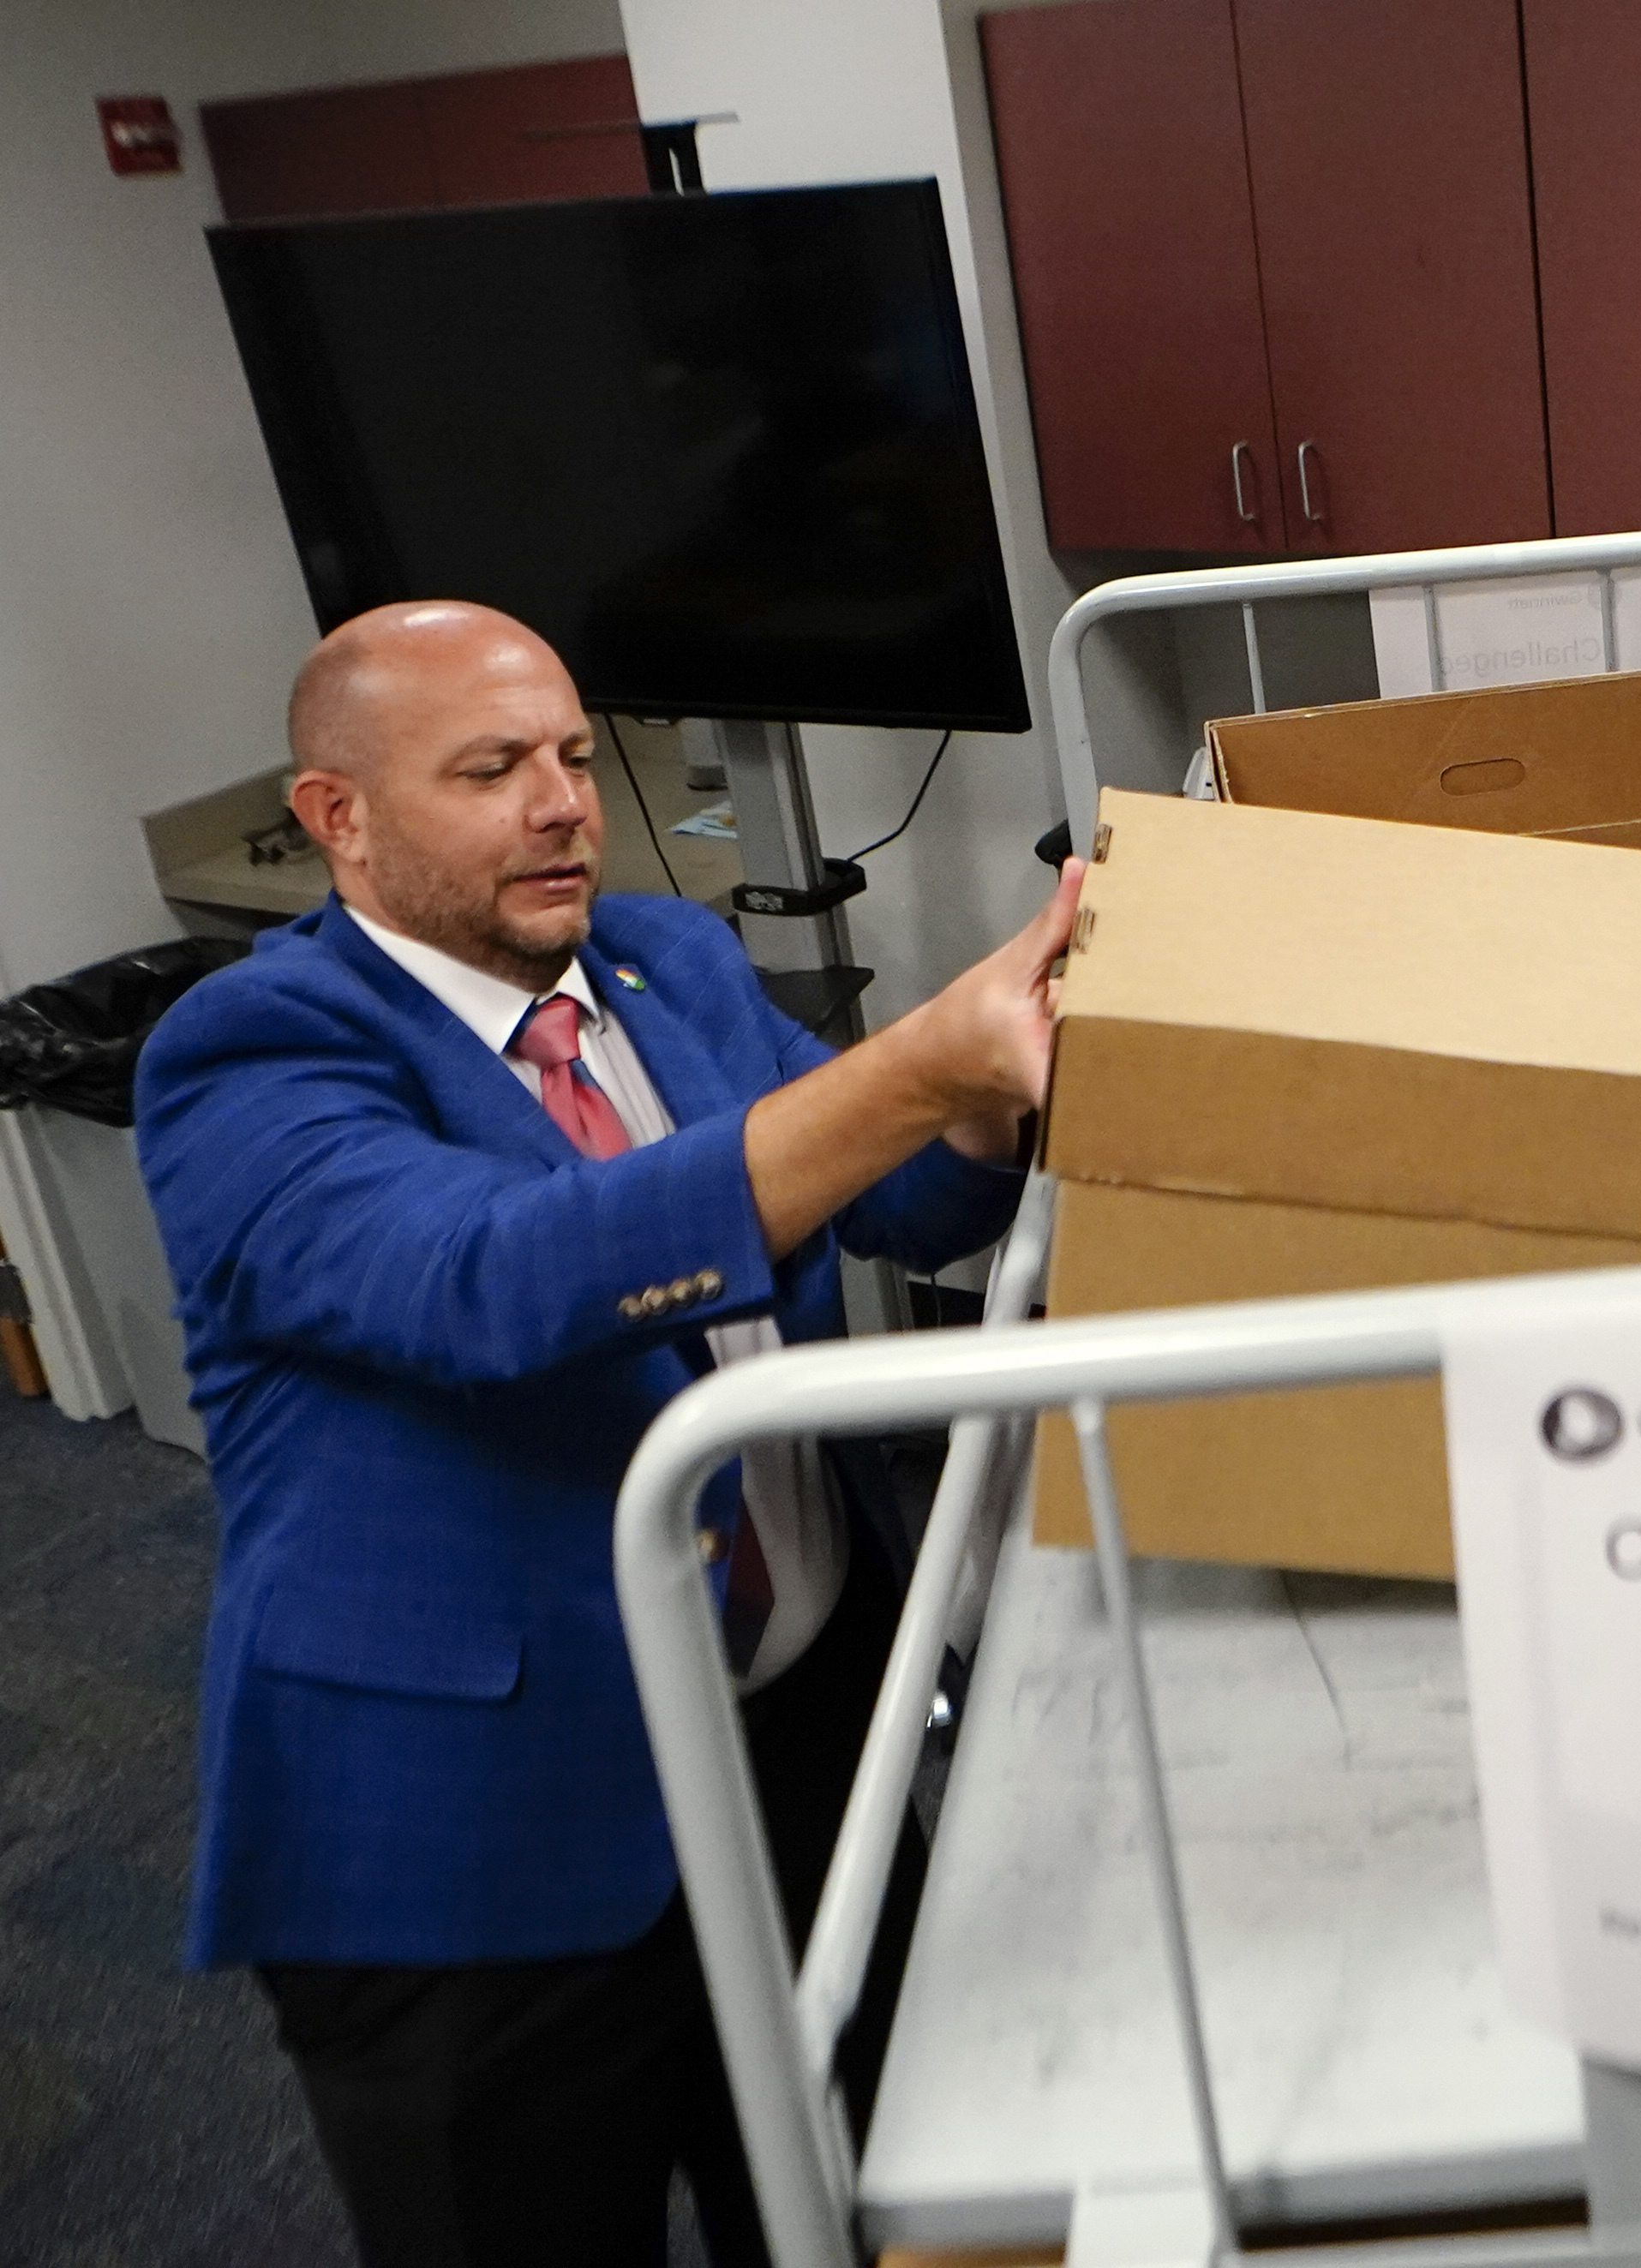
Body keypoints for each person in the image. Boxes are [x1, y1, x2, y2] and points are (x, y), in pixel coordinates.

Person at [135, 600, 1083, 2267]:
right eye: (492, 768)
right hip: (478, 1835)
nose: (563, 800)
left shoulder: (670, 961)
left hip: (792, 1732)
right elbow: (492, 1282)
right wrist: (917, 1066)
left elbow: (885, 1183)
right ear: (337, 817)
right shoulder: (249, 1054)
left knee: (872, 2194)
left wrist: (1001, 1087)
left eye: (575, 755)